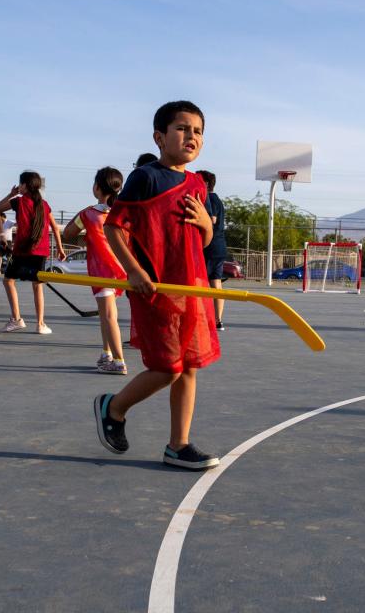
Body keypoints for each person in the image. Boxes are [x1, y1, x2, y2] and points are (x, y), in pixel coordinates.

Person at [97, 100, 220, 470]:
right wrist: (133, 272)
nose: (191, 136)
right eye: (182, 129)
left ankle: (178, 445)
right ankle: (113, 408)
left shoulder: (198, 184)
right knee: (168, 368)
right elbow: (114, 227)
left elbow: (205, 240)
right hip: (155, 289)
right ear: (160, 136)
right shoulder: (145, 177)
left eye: (198, 131)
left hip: (190, 288)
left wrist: (205, 222)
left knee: (190, 366)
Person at [61, 167, 128, 375]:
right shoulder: (125, 213)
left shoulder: (89, 213)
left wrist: (86, 236)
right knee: (106, 313)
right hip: (122, 268)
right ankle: (107, 353)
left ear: (97, 187)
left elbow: (68, 234)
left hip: (102, 270)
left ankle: (118, 361)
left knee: (108, 315)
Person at [0, 171, 66, 334]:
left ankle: (17, 319)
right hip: (40, 251)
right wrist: (60, 249)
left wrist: (11, 194)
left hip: (21, 251)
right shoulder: (44, 204)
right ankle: (40, 324)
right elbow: (54, 227)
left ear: (24, 185)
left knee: (8, 280)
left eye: (20, 184)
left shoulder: (19, 201)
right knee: (37, 286)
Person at [196, 170, 227, 330]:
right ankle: (217, 320)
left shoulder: (209, 199)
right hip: (220, 246)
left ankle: (201, 318)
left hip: (210, 246)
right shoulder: (218, 200)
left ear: (206, 184)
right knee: (216, 282)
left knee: (199, 282)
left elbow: (211, 219)